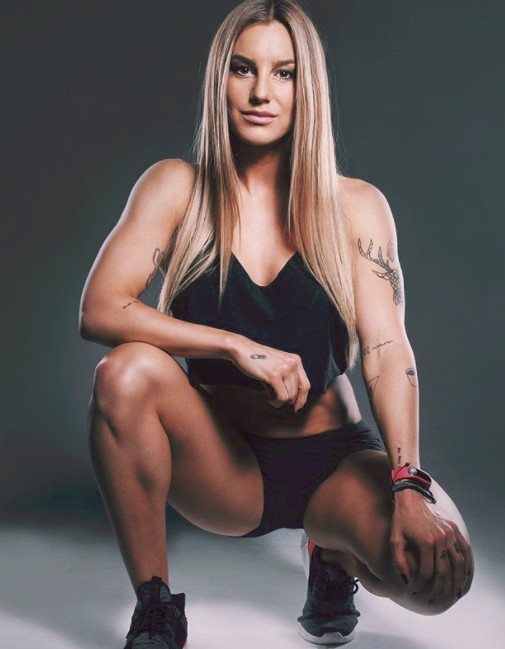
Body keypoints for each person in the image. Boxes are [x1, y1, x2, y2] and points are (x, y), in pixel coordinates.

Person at [79, 1, 474, 647]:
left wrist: (407, 484)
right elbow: (100, 308)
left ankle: (332, 554)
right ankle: (156, 607)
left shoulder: (355, 205)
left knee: (438, 576)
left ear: (306, 85)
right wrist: (235, 346)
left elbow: (385, 348)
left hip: (334, 462)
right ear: (221, 80)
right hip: (229, 469)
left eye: (283, 73)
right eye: (243, 69)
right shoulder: (176, 188)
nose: (261, 92)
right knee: (122, 370)